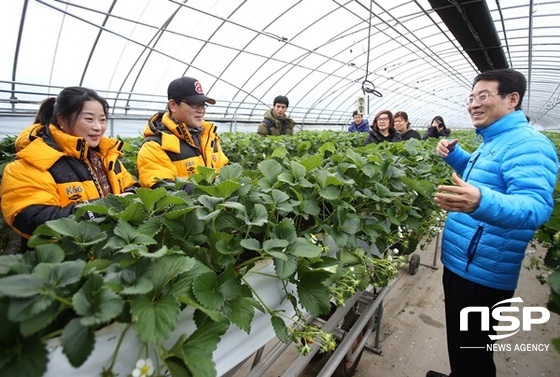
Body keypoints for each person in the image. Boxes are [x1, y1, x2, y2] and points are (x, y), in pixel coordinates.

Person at [428, 68, 558, 377]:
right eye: (471, 97)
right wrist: (456, 157)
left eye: (483, 96)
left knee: (472, 353)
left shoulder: (530, 145)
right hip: (467, 264)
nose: (474, 103)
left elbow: (535, 207)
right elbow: (491, 178)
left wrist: (480, 202)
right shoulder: (496, 140)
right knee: (464, 347)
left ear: (512, 99)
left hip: (483, 274)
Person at [0, 86, 138, 240]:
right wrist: (105, 207)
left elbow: (130, 185)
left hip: (110, 249)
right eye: (89, 119)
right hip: (70, 256)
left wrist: (131, 195)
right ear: (62, 120)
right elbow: (29, 218)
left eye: (103, 119)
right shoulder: (31, 163)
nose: (98, 127)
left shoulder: (106, 156)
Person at [137, 76, 229, 189]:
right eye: (194, 104)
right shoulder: (154, 145)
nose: (201, 110)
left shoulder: (209, 137)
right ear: (173, 105)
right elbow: (163, 188)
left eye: (203, 105)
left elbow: (225, 169)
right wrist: (211, 190)